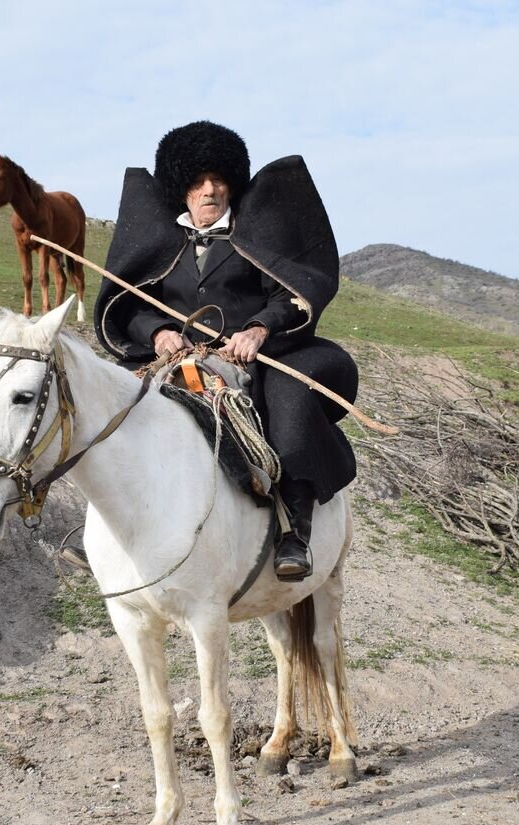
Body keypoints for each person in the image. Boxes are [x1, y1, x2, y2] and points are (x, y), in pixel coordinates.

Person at [92, 120, 358, 581]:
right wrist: (158, 333)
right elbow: (130, 305)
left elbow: (286, 296)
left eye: (217, 180)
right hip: (175, 356)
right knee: (110, 405)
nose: (209, 190)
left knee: (290, 407)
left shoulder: (256, 238)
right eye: (197, 182)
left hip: (250, 358)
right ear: (181, 190)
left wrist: (257, 331)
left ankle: (294, 531)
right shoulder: (162, 246)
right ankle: (101, 529)